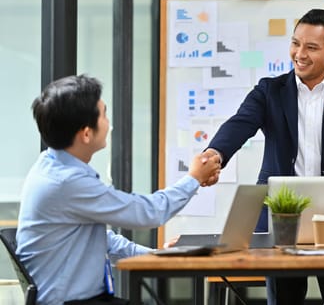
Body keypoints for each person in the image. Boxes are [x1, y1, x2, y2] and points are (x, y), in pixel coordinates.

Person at [202, 9, 324, 304]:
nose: (299, 54)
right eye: (295, 43)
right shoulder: (269, 91)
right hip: (280, 220)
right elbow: (241, 124)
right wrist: (215, 153)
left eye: (311, 47)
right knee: (284, 300)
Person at [16, 75, 221, 305]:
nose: (108, 122)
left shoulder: (56, 165)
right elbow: (149, 212)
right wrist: (194, 178)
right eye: (103, 114)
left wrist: (158, 256)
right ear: (86, 133)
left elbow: (106, 240)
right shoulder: (66, 182)